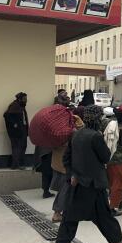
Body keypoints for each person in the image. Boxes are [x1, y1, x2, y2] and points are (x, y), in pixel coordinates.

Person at [48, 105, 122, 243]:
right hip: (94, 186)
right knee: (100, 217)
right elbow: (105, 156)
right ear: (97, 119)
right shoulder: (95, 136)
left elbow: (67, 159)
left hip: (79, 185)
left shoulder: (75, 134)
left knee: (75, 220)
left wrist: (72, 175)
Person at [50, 90, 80, 223]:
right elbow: (78, 134)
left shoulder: (53, 122)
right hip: (65, 163)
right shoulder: (65, 125)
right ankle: (57, 213)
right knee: (65, 188)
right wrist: (78, 122)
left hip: (57, 160)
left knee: (65, 187)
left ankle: (64, 210)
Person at [4, 92, 29, 169]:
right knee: (17, 147)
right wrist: (15, 125)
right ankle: (16, 165)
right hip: (17, 132)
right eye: (24, 99)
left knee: (22, 146)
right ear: (19, 99)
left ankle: (19, 164)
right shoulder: (14, 105)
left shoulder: (21, 106)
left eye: (26, 99)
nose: (26, 100)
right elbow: (6, 115)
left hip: (22, 130)